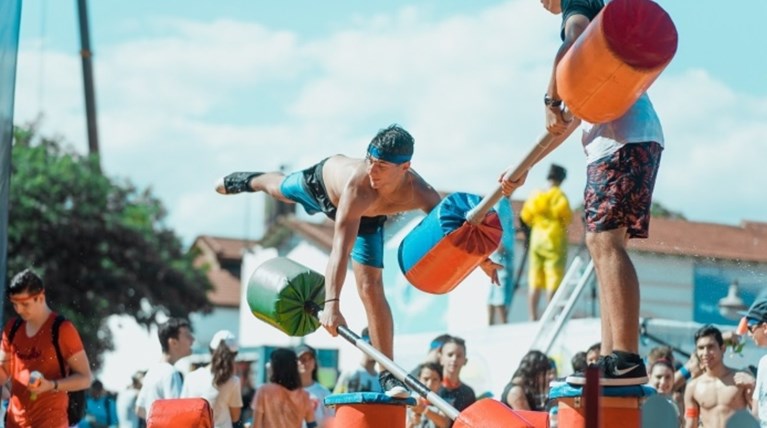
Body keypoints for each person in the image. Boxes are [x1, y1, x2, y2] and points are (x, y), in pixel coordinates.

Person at [216, 125, 500, 395]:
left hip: (368, 218)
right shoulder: (359, 185)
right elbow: (339, 249)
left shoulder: (420, 192)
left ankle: (387, 372)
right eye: (370, 161)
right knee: (280, 190)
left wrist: (483, 261)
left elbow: (452, 235)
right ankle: (247, 180)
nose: (372, 170)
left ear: (405, 168)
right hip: (323, 185)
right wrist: (331, 304)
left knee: (371, 287)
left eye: (381, 166)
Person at [499, 0, 666, 386]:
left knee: (605, 243)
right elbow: (563, 127)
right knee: (601, 245)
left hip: (621, 142)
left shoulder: (578, 6)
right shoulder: (597, 63)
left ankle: (624, 357)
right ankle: (612, 357)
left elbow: (568, 44)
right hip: (629, 140)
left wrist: (549, 97)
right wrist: (521, 169)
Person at [0, 268, 93, 428]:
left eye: (25, 304)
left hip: (51, 422)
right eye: (15, 304)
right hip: (14, 423)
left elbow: (85, 378)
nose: (19, 310)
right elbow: (3, 370)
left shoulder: (62, 329)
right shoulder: (12, 328)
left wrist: (52, 385)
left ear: (40, 297)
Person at [520, 164, 572, 321]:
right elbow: (567, 217)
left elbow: (525, 216)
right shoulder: (559, 195)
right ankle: (550, 316)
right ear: (561, 179)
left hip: (537, 238)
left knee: (534, 278)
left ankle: (532, 316)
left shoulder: (535, 194)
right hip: (553, 239)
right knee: (553, 277)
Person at [683, 325, 754, 428]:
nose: (705, 353)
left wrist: (753, 386)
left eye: (710, 347)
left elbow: (758, 414)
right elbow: (691, 424)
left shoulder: (741, 379)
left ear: (723, 348)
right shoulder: (693, 387)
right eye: (701, 348)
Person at [135, 317, 195, 422]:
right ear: (173, 343)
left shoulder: (153, 371)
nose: (192, 339)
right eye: (187, 335)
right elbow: (178, 415)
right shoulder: (171, 373)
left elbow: (139, 409)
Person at [181, 330, 243, 428]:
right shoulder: (233, 381)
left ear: (210, 350)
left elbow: (183, 410)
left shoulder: (191, 377)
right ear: (234, 355)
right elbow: (235, 416)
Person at [251, 348, 315, 428]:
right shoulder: (304, 395)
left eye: (270, 362)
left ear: (276, 366)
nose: (267, 365)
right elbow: (312, 425)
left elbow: (256, 425)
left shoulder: (264, 391)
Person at [741, 294, 767, 425]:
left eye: (751, 328)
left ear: (765, 327)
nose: (749, 334)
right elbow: (756, 412)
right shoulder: (763, 363)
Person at [295, 345, 333, 427]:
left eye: (310, 359)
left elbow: (331, 420)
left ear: (315, 363)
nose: (307, 363)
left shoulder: (324, 392)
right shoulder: (288, 392)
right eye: (302, 359)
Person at [333, 328, 382, 394]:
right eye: (371, 344)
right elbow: (335, 399)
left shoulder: (380, 381)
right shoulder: (350, 373)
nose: (374, 349)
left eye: (377, 345)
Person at [437, 336, 475, 416]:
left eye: (459, 356)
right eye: (450, 355)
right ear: (441, 358)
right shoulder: (432, 388)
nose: (454, 359)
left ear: (465, 361)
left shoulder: (468, 393)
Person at [407, 362, 448, 428]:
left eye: (435, 380)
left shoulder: (444, 403)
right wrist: (412, 422)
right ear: (418, 380)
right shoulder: (408, 400)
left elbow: (444, 424)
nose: (429, 384)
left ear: (440, 383)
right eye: (426, 379)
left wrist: (424, 410)